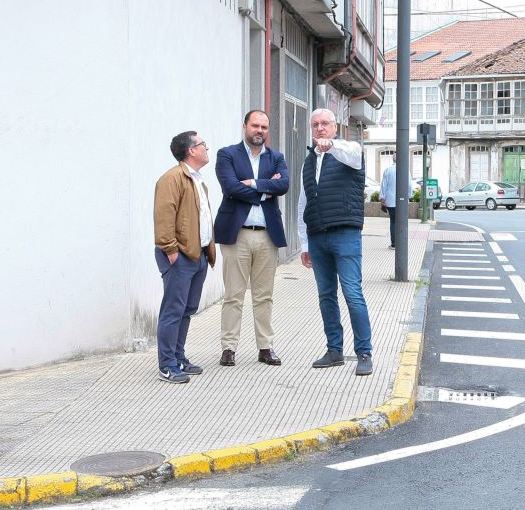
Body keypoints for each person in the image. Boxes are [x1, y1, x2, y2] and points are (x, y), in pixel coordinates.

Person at [298, 108, 373, 376]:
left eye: (325, 124)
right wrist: (304, 243)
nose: (320, 128)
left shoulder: (349, 150)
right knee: (326, 296)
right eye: (315, 124)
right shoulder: (309, 161)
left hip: (345, 234)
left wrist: (331, 146)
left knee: (352, 293)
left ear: (335, 126)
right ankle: (334, 350)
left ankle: (364, 352)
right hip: (317, 236)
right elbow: (302, 203)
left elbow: (349, 154)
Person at [214, 110, 289, 368]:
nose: (260, 131)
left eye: (264, 127)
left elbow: (284, 185)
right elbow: (230, 187)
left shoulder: (276, 157)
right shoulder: (227, 154)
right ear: (245, 126)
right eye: (255, 125)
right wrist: (265, 188)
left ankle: (265, 347)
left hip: (267, 236)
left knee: (264, 295)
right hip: (237, 235)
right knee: (233, 295)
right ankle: (228, 348)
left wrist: (252, 183)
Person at [153, 131, 216, 384]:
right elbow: (164, 216)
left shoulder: (197, 179)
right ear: (191, 150)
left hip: (197, 254)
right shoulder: (172, 178)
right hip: (179, 257)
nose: (206, 148)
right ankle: (166, 365)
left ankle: (178, 357)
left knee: (187, 310)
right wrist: (170, 250)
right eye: (203, 144)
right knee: (173, 310)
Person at [379, 153, 397, 249]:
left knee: (393, 221)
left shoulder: (388, 171)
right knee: (401, 221)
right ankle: (402, 242)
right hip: (402, 202)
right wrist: (408, 196)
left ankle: (394, 243)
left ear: (393, 160)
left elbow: (384, 186)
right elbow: (409, 185)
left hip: (390, 201)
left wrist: (382, 198)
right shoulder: (406, 170)